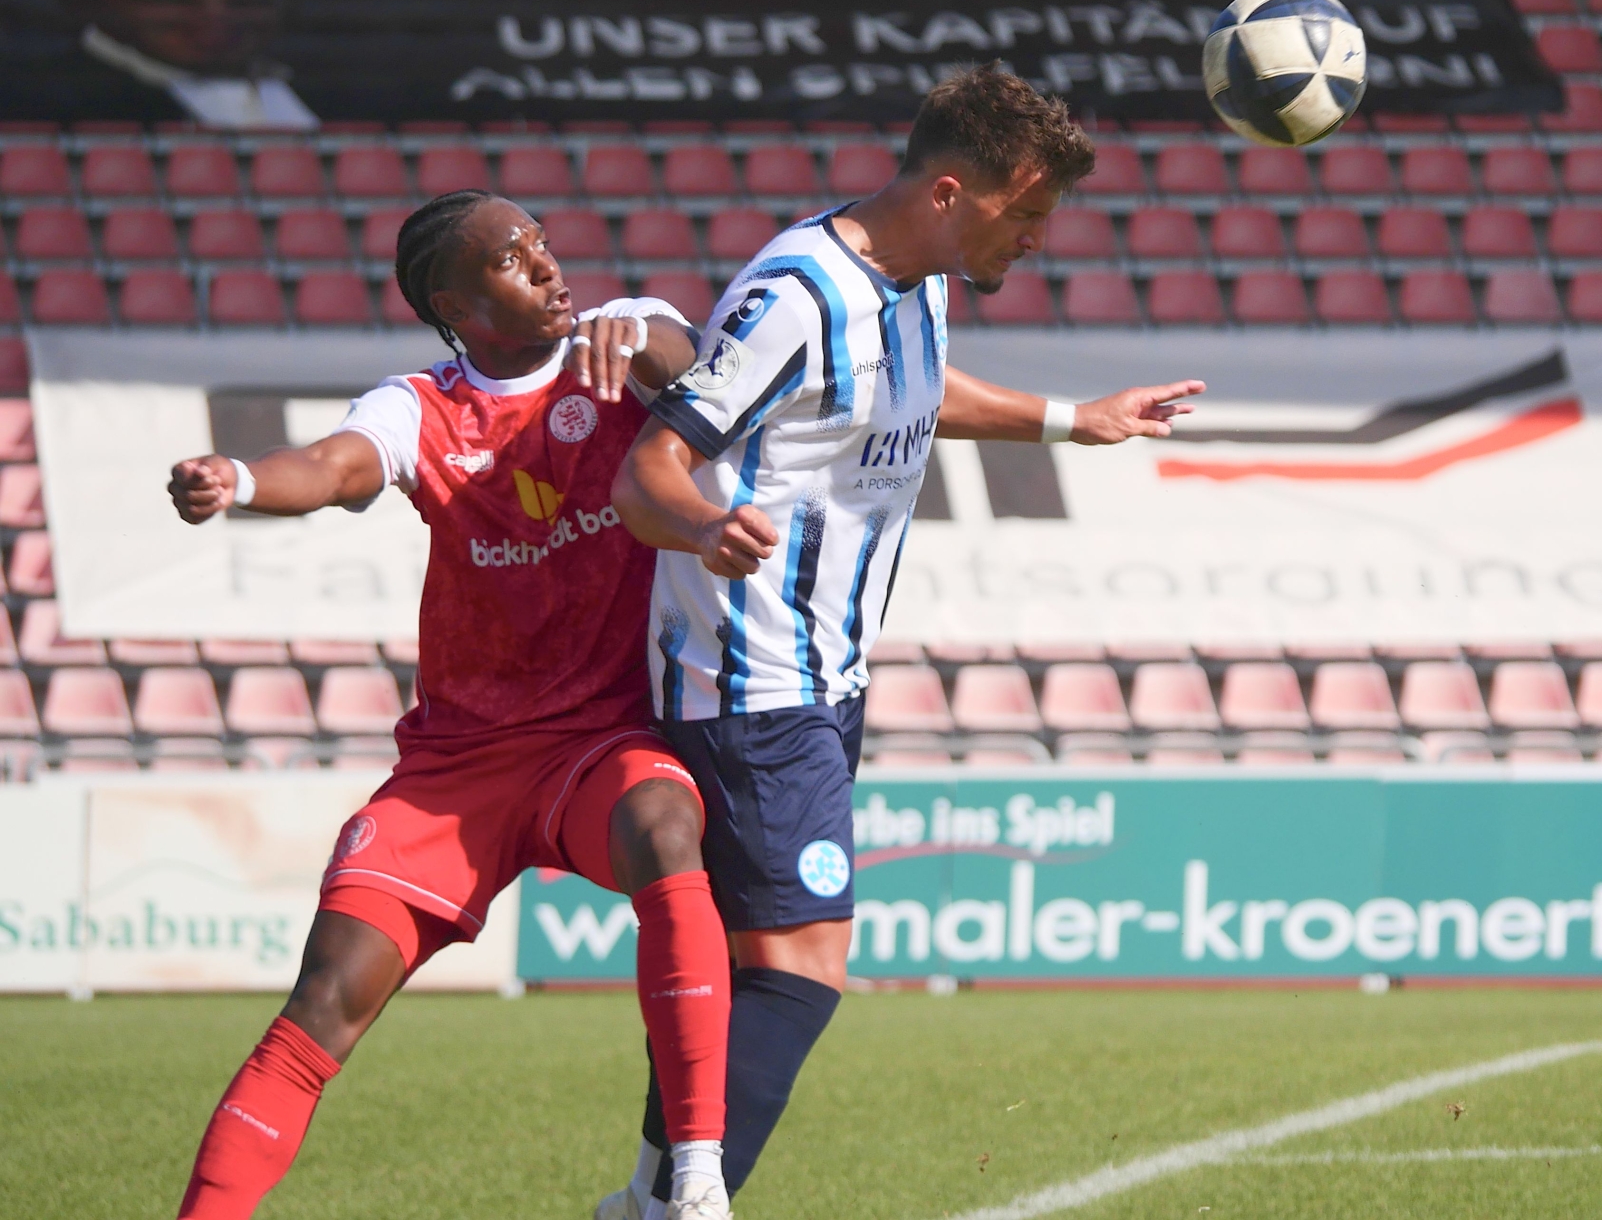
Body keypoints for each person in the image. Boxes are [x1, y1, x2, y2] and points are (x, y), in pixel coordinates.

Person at [601, 64, 1205, 1219]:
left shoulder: (918, 278)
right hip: (750, 676)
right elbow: (650, 472)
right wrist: (706, 526)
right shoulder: (796, 293)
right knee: (801, 966)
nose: (1038, 238)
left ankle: (647, 1194)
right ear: (947, 192)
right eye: (1026, 212)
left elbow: (914, 396)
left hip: (826, 676)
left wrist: (1076, 420)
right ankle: (678, 1202)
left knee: (758, 965)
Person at [164, 190, 735, 1220]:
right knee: (326, 996)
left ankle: (694, 1180)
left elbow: (694, 360)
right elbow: (335, 467)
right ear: (456, 307)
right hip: (456, 771)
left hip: (595, 744)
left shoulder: (617, 345)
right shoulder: (418, 406)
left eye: (542, 243)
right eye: (514, 259)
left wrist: (642, 331)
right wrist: (240, 478)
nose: (548, 266)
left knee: (664, 823)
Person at [39, 0, 317, 128]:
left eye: (243, 3)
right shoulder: (43, 101)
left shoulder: (318, 89)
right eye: (174, 2)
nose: (215, 19)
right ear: (96, 4)